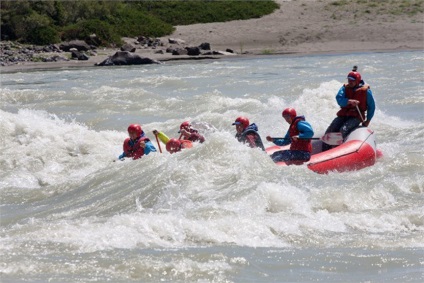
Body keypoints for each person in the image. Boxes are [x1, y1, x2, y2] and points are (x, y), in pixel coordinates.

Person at [322, 66, 376, 151]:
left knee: (343, 130)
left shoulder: (366, 91)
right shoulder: (344, 88)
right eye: (349, 80)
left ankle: (338, 150)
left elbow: (372, 107)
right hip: (344, 114)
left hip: (356, 116)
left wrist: (367, 121)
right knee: (331, 129)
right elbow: (339, 98)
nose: (350, 82)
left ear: (357, 81)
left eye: (352, 80)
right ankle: (324, 151)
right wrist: (349, 101)